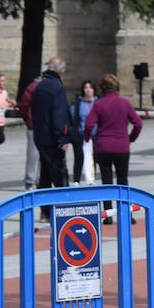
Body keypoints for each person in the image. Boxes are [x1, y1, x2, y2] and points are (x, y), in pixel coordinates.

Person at [83, 73, 143, 219]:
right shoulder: (125, 103)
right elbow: (138, 124)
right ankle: (126, 214)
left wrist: (88, 138)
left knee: (106, 181)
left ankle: (108, 214)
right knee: (123, 180)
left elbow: (89, 124)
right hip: (122, 146)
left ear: (102, 88)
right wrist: (130, 139)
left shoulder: (98, 104)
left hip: (103, 146)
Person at [30, 58, 73, 210]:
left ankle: (45, 210)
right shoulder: (57, 87)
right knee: (60, 174)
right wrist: (63, 138)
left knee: (46, 174)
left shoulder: (39, 86)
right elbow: (59, 115)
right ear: (61, 72)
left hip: (40, 136)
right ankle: (64, 208)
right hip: (52, 138)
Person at [69, 79, 96, 185]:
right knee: (79, 157)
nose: (88, 90)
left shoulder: (97, 102)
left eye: (90, 87)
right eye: (86, 87)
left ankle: (91, 179)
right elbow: (73, 118)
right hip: (81, 134)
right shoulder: (78, 103)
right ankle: (76, 180)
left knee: (93, 158)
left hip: (95, 135)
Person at [18, 74, 42, 189]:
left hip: (36, 124)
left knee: (34, 154)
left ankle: (34, 180)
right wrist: (28, 119)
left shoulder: (33, 86)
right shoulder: (34, 87)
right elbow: (24, 105)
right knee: (34, 154)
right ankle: (31, 180)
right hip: (35, 124)